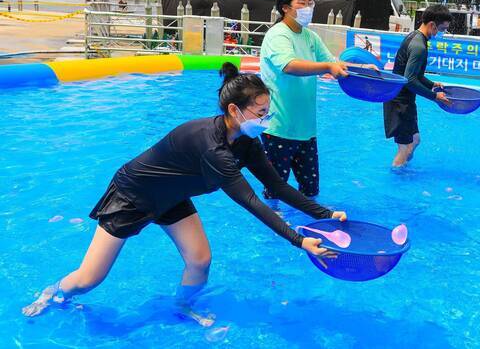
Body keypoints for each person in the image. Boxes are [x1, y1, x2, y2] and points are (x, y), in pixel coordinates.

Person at [22, 63, 347, 325]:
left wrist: (325, 214)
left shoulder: (246, 142)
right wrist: (299, 240)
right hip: (133, 195)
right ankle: (52, 294)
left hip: (171, 196)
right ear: (235, 110)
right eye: (261, 112)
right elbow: (250, 201)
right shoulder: (213, 147)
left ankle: (181, 307)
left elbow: (276, 186)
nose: (267, 118)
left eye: (267, 110)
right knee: (90, 279)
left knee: (200, 260)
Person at [259, 0, 350, 200]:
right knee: (275, 191)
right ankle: (274, 230)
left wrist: (363, 69)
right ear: (285, 8)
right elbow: (289, 65)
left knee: (311, 190)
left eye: (310, 3)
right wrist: (327, 68)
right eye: (302, 3)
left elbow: (333, 62)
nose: (308, 7)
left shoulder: (310, 37)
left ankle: (307, 226)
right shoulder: (277, 35)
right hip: (278, 128)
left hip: (306, 130)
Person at [383, 4, 452, 168]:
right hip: (399, 102)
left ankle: (403, 167)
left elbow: (416, 75)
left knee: (415, 140)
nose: (441, 33)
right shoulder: (419, 46)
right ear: (432, 25)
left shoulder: (416, 37)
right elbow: (410, 79)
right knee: (405, 148)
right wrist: (435, 97)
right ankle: (397, 181)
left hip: (405, 99)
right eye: (441, 29)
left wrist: (432, 84)